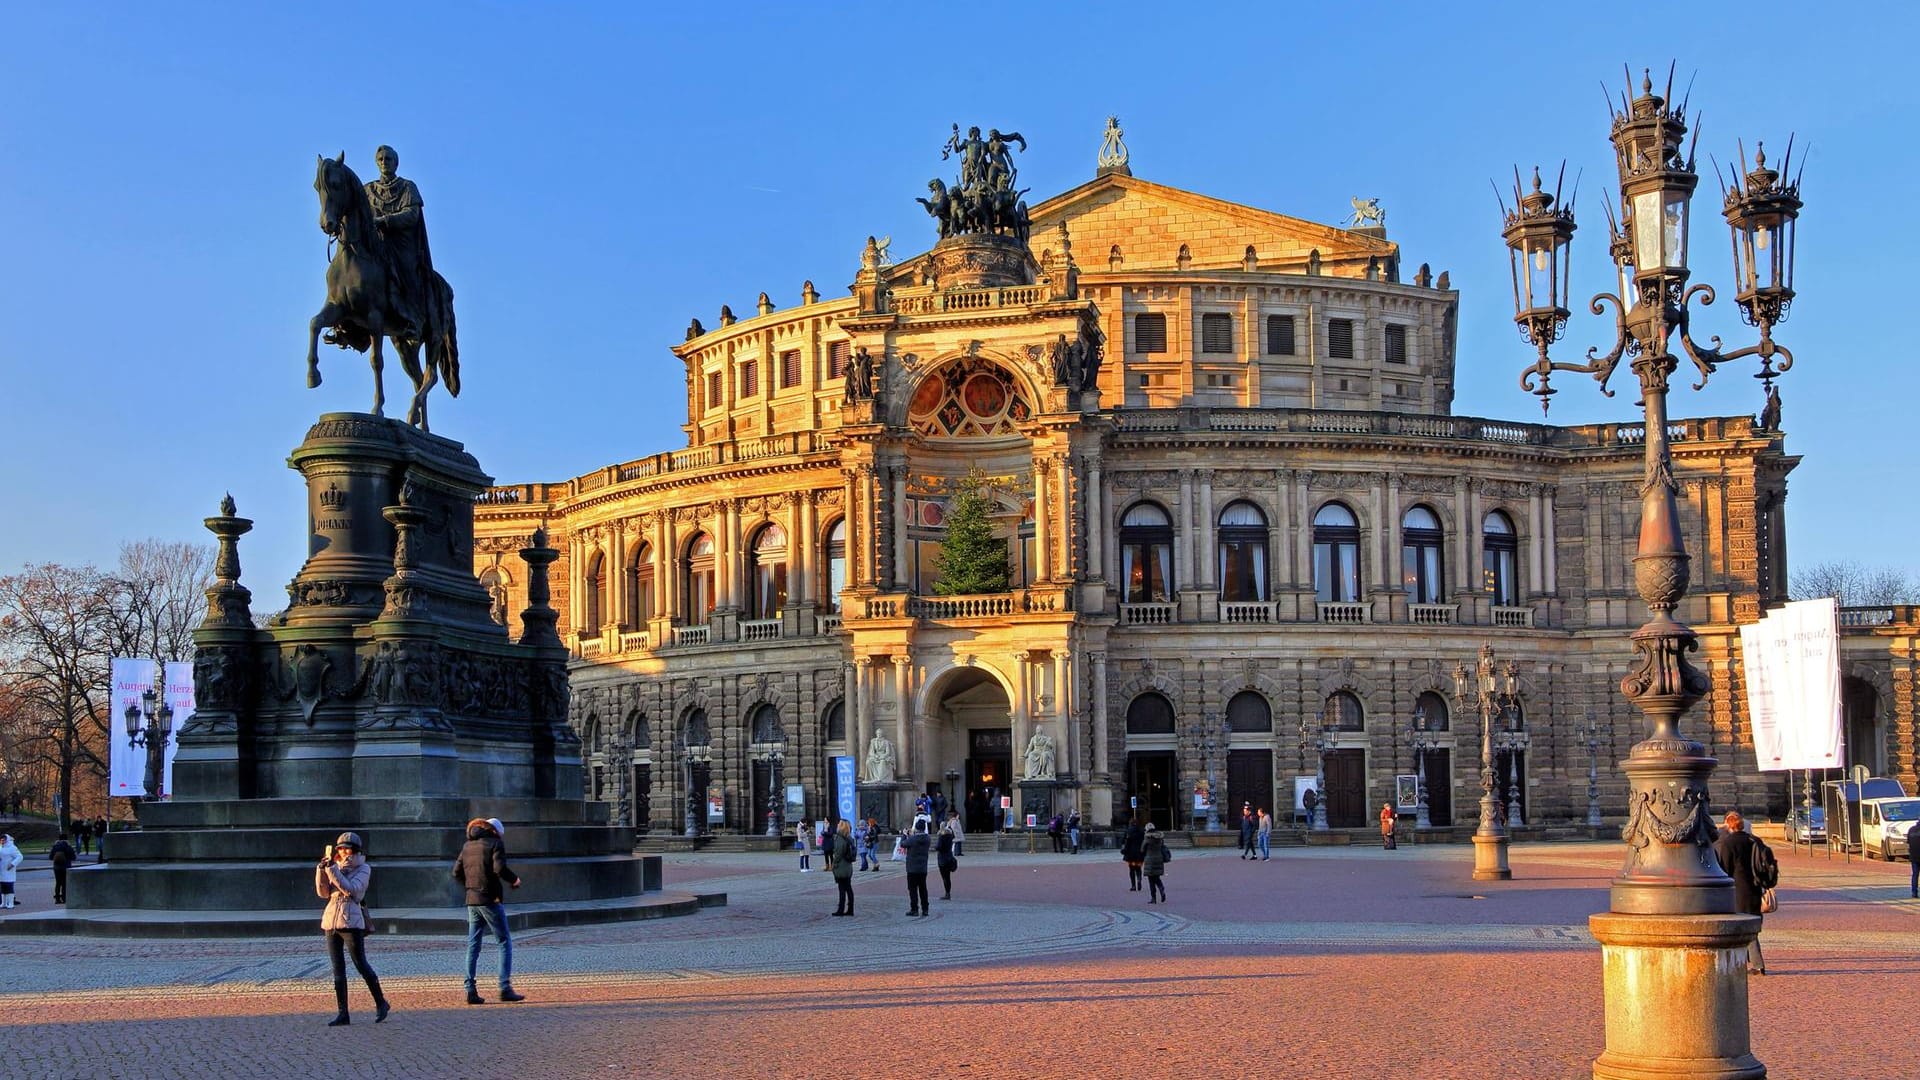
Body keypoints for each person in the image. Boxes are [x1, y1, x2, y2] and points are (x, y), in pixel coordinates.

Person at [316, 832, 391, 1026]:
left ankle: (381, 1002)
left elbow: (353, 891)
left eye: (347, 848)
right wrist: (321, 871)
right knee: (337, 969)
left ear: (356, 850)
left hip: (351, 921)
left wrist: (333, 871)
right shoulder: (335, 866)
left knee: (360, 964)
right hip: (331, 921)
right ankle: (343, 1012)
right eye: (340, 848)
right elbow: (323, 893)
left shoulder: (363, 868)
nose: (343, 852)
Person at [452, 817, 524, 1004]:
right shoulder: (495, 843)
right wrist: (515, 880)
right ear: (495, 831)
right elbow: (499, 869)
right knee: (504, 941)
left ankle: (470, 989)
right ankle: (504, 987)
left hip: (472, 900)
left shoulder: (468, 845)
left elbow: (456, 872)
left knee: (473, 944)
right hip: (490, 899)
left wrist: (470, 887)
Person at [1710, 811, 1767, 976]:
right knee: (1752, 923)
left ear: (1729, 825)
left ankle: (1757, 963)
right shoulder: (1755, 841)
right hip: (1755, 887)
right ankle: (1749, 959)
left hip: (1739, 888)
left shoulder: (1729, 843)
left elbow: (1725, 868)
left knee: (1743, 926)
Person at [901, 819, 932, 916]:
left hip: (912, 868)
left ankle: (914, 909)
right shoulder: (927, 838)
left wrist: (904, 834)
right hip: (923, 868)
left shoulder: (913, 839)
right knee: (923, 889)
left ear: (917, 828)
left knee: (913, 889)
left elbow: (903, 844)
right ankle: (925, 909)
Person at [830, 819, 856, 916]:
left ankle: (840, 909)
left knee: (842, 889)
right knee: (848, 888)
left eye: (839, 824)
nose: (837, 825)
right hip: (848, 866)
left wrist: (834, 864)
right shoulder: (849, 838)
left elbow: (838, 853)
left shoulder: (840, 838)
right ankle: (850, 909)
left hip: (841, 867)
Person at [1142, 823, 1170, 904]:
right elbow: (1163, 847)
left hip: (1149, 859)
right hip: (1159, 859)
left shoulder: (1147, 838)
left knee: (1151, 880)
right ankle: (1161, 888)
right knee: (1157, 877)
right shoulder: (1160, 838)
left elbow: (1142, 849)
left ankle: (1153, 898)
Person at [49, 833, 76, 904]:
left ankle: (57, 899)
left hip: (56, 867)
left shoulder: (55, 846)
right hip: (66, 866)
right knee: (64, 883)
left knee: (58, 883)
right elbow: (73, 857)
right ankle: (64, 898)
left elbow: (51, 857)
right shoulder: (67, 846)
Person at [1121, 815, 1146, 892]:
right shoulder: (1142, 831)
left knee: (1131, 869)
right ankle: (1139, 879)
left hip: (1130, 854)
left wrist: (1124, 850)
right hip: (1139, 854)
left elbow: (1125, 842)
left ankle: (1133, 885)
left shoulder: (1128, 831)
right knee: (1138, 868)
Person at [935, 817, 959, 900]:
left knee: (944, 877)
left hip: (942, 859)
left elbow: (938, 847)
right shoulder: (950, 836)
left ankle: (947, 893)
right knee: (948, 877)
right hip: (949, 857)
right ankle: (948, 892)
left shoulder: (941, 837)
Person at [0, 833, 19, 909]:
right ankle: (3, 903)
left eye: (3, 840)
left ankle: (10, 903)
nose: (2, 842)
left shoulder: (12, 848)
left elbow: (19, 856)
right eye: (1, 840)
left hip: (8, 871)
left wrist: (12, 864)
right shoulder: (0, 847)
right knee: (3, 887)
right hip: (1, 870)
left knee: (9, 887)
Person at [1905, 819, 1919, 899]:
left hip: (1913, 856)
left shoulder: (1911, 829)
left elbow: (1909, 842)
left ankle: (1914, 892)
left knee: (1915, 875)